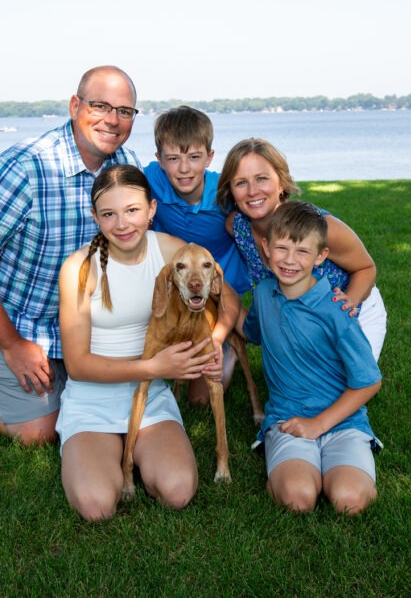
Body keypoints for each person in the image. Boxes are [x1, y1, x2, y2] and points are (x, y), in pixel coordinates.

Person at [0, 66, 141, 446]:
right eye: (100, 105)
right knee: (40, 433)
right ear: (74, 106)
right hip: (21, 322)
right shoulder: (22, 169)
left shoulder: (126, 166)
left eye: (124, 111)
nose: (112, 120)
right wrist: (12, 346)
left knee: (112, 408)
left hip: (88, 324)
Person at [56, 165, 235, 520]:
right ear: (95, 217)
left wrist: (214, 342)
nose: (122, 224)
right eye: (109, 214)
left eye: (133, 211)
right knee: (96, 506)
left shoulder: (170, 249)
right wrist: (154, 367)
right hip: (92, 401)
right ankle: (103, 451)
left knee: (179, 491)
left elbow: (227, 298)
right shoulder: (79, 267)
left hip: (149, 395)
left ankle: (140, 453)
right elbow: (76, 364)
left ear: (152, 209)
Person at [240, 201, 382, 514]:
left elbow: (369, 382)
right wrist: (221, 295)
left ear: (321, 256)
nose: (290, 260)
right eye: (281, 248)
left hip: (341, 421)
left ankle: (334, 464)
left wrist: (318, 424)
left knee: (349, 500)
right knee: (297, 499)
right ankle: (297, 469)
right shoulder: (263, 294)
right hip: (287, 418)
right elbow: (251, 331)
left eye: (302, 251)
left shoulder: (336, 307)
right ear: (265, 248)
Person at [216, 137, 387, 361]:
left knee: (341, 390)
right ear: (231, 190)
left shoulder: (321, 228)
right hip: (300, 319)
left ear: (281, 183)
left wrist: (348, 304)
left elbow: (366, 268)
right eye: (240, 183)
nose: (252, 191)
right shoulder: (237, 227)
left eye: (262, 179)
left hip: (354, 309)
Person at [142, 105, 248, 404]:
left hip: (220, 278)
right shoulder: (151, 180)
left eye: (194, 157)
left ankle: (227, 342)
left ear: (210, 157)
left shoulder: (225, 193)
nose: (184, 168)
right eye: (173, 159)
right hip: (178, 277)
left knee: (200, 398)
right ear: (160, 160)